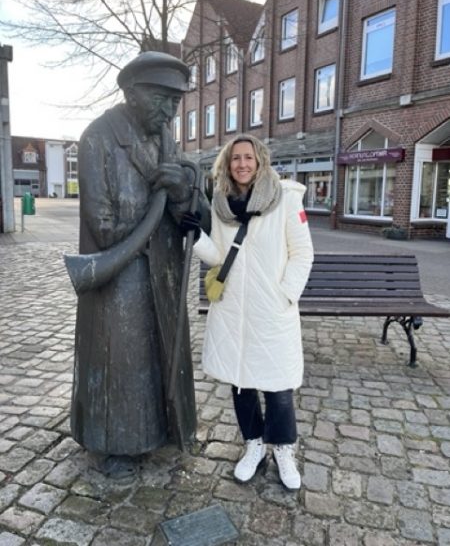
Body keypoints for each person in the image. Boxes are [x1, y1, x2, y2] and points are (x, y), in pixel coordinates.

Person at [70, 51, 209, 477]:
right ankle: (115, 441)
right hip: (120, 278)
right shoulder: (97, 139)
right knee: (122, 362)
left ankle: (164, 429)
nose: (169, 111)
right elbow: (104, 228)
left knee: (161, 355)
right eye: (161, 99)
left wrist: (182, 192)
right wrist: (157, 196)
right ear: (131, 93)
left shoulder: (167, 142)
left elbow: (196, 219)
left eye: (176, 101)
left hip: (162, 273)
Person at [183, 134, 314, 490]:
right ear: (227, 163)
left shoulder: (285, 198)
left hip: (271, 309)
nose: (242, 164)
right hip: (234, 310)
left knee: (278, 385)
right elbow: (220, 255)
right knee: (241, 382)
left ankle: (283, 449)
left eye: (248, 157)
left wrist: (285, 295)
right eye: (235, 158)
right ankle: (253, 444)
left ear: (260, 161)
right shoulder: (221, 203)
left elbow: (303, 253)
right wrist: (196, 238)